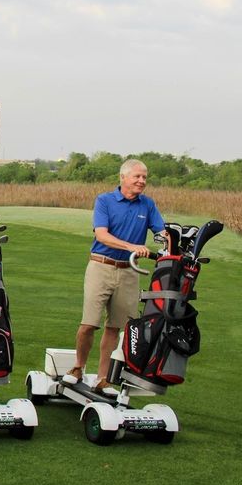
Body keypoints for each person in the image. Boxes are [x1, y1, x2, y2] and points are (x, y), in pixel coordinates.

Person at [64, 158, 165, 393]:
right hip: (101, 266)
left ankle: (103, 378)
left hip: (129, 271)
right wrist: (131, 246)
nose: (141, 181)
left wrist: (170, 241)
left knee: (116, 327)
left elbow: (161, 232)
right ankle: (78, 367)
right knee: (89, 324)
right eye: (137, 176)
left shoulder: (147, 205)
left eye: (144, 177)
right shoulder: (105, 200)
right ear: (123, 177)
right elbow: (102, 235)